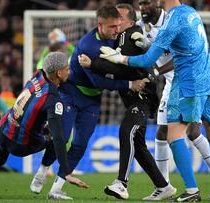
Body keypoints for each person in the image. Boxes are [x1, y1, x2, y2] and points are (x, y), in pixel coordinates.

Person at [99, 0, 210, 201]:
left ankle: (191, 191)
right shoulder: (191, 12)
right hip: (209, 76)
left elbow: (147, 61)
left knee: (174, 135)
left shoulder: (171, 21)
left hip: (187, 81)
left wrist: (120, 59)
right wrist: (148, 45)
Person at [29, 5, 145, 199]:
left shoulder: (117, 38)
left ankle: (56, 189)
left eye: (118, 25)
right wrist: (128, 84)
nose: (117, 30)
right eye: (112, 27)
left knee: (81, 145)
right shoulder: (88, 46)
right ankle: (42, 170)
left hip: (92, 100)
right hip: (72, 93)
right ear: (100, 25)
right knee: (63, 137)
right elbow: (97, 80)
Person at [78, 3, 176, 201]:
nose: (117, 21)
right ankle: (163, 186)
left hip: (143, 96)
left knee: (126, 130)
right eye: (114, 18)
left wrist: (94, 64)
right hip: (136, 97)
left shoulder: (128, 35)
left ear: (130, 20)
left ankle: (121, 183)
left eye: (120, 18)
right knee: (138, 146)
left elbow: (121, 68)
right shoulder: (125, 36)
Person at [134, 0, 210, 199]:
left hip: (183, 79)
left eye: (146, 3)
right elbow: (153, 50)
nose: (143, 7)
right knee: (162, 132)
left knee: (192, 132)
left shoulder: (172, 19)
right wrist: (145, 45)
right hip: (170, 83)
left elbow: (179, 55)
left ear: (158, 4)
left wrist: (155, 69)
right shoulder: (142, 25)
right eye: (140, 3)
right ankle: (164, 185)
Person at [0, 52, 75, 200]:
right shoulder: (53, 99)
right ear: (58, 72)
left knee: (2, 147)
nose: (69, 71)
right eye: (67, 69)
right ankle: (41, 175)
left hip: (2, 130)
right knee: (58, 137)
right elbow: (58, 138)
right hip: (20, 144)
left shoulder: (37, 75)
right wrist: (66, 171)